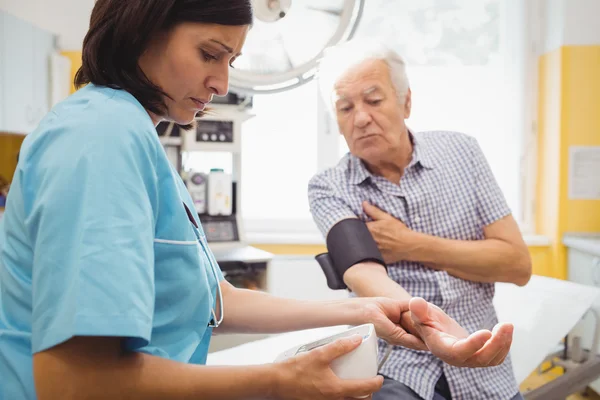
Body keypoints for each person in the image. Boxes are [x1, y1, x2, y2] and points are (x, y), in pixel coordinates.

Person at [0, 2, 515, 399]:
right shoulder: (101, 136)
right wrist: (276, 380)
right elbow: (74, 383)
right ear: (143, 26)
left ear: (406, 101)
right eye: (209, 54)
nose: (222, 83)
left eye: (231, 60)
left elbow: (216, 300)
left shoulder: (138, 140)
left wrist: (365, 309)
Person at [309, 38, 532, 400]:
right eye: (345, 107)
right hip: (398, 368)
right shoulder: (328, 188)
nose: (361, 118)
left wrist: (411, 245)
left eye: (374, 100)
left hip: (484, 371)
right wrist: (434, 331)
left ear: (406, 102)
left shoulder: (463, 152)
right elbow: (363, 273)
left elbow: (517, 264)